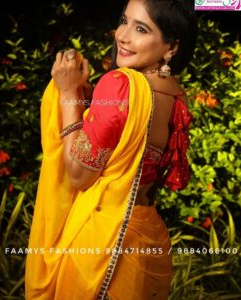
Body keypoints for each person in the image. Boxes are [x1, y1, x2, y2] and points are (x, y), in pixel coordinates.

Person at [25, 0, 197, 299]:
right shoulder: (176, 94)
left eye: (141, 29)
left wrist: (68, 92)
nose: (123, 35)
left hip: (103, 239)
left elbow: (79, 175)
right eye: (124, 21)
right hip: (147, 236)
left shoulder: (120, 84)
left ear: (171, 47)